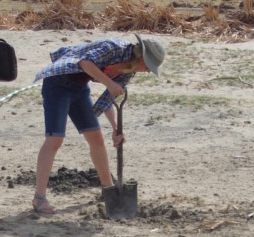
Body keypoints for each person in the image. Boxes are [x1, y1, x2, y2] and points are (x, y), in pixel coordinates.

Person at [31, 33, 166, 214]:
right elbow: (85, 63)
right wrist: (109, 83)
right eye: (149, 65)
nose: (149, 71)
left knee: (97, 138)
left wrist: (115, 128)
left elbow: (107, 99)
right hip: (58, 81)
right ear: (141, 56)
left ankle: (108, 190)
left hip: (79, 88)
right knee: (55, 139)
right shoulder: (114, 48)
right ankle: (39, 198)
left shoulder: (129, 71)